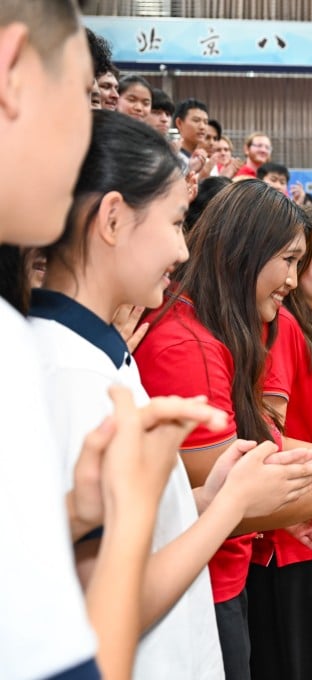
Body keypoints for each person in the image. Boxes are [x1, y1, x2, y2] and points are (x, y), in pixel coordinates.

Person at [33, 109, 312, 680]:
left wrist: (209, 496)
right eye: (173, 223)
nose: (184, 250)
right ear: (113, 219)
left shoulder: (100, 357)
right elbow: (104, 599)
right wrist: (235, 506)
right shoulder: (76, 376)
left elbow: (121, 528)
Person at [0, 5, 228, 678]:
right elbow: (75, 635)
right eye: (80, 101)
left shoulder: (75, 351)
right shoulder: (61, 371)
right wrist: (226, 510)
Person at [134, 181, 312, 680]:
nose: (293, 278)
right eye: (294, 259)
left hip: (224, 567)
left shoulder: (224, 330)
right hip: (200, 584)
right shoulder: (189, 343)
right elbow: (228, 492)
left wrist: (295, 508)